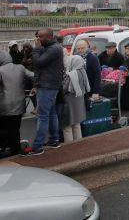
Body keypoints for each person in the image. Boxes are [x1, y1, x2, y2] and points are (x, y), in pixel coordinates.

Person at [24, 28, 64, 156]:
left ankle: (37, 147)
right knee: (51, 113)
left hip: (48, 86)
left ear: (48, 37)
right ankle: (54, 140)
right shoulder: (50, 47)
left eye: (40, 37)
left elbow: (39, 63)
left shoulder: (54, 49)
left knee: (42, 116)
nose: (37, 39)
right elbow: (40, 69)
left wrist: (37, 49)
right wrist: (36, 85)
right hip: (48, 85)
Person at [0, 51, 33, 156]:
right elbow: (34, 76)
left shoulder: (0, 70)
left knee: (7, 128)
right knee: (15, 127)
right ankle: (15, 148)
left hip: (4, 105)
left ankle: (10, 149)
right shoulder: (20, 68)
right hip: (20, 104)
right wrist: (36, 87)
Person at [61, 55, 90, 142]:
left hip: (69, 104)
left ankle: (70, 147)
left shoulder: (70, 75)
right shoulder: (83, 72)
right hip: (79, 102)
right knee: (77, 125)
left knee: (67, 127)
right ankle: (79, 144)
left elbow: (63, 89)